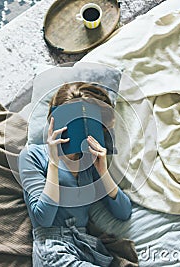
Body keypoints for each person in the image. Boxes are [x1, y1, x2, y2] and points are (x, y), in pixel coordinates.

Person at [19, 82, 132, 266]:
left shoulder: (89, 163)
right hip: (53, 249)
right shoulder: (33, 155)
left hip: (85, 248)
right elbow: (43, 219)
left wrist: (103, 171)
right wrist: (54, 163)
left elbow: (124, 212)